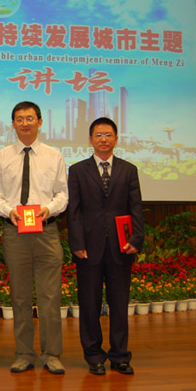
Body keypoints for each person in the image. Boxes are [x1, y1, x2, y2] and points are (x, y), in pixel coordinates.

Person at [0, 101, 68, 375]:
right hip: (15, 231)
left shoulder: (54, 155)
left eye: (30, 118)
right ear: (12, 124)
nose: (25, 123)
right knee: (20, 297)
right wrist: (8, 211)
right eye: (19, 119)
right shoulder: (1, 157)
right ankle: (24, 353)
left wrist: (49, 209)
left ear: (40, 121)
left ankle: (52, 354)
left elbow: (62, 194)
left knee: (50, 296)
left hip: (46, 231)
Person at [67, 116, 144, 376]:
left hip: (121, 249)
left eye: (108, 135)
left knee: (119, 305)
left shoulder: (128, 169)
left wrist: (137, 239)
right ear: (90, 139)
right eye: (98, 135)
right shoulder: (77, 170)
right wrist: (76, 243)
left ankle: (120, 356)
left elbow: (136, 208)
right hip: (88, 249)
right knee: (89, 305)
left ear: (116, 139)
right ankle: (94, 356)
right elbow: (74, 212)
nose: (103, 139)